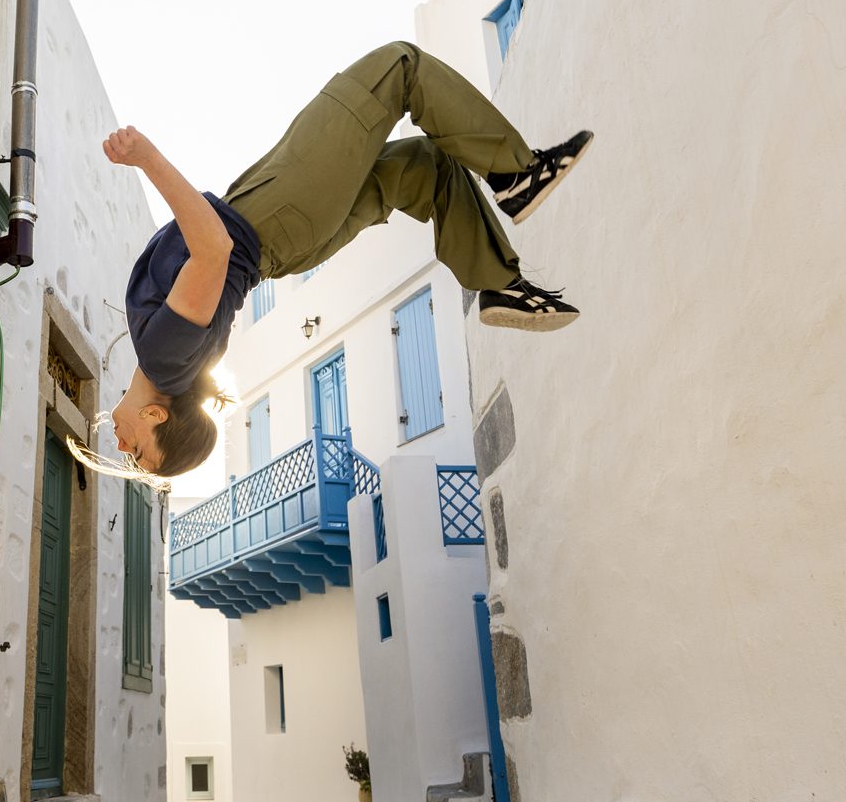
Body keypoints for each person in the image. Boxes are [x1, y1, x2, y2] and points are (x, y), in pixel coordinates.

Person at [103, 41, 590, 480]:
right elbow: (213, 247)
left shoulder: (174, 363)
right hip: (277, 216)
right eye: (138, 453)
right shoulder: (164, 360)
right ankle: (517, 174)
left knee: (426, 168)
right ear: (155, 417)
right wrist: (146, 157)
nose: (123, 448)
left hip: (285, 235)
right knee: (398, 69)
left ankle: (499, 281)